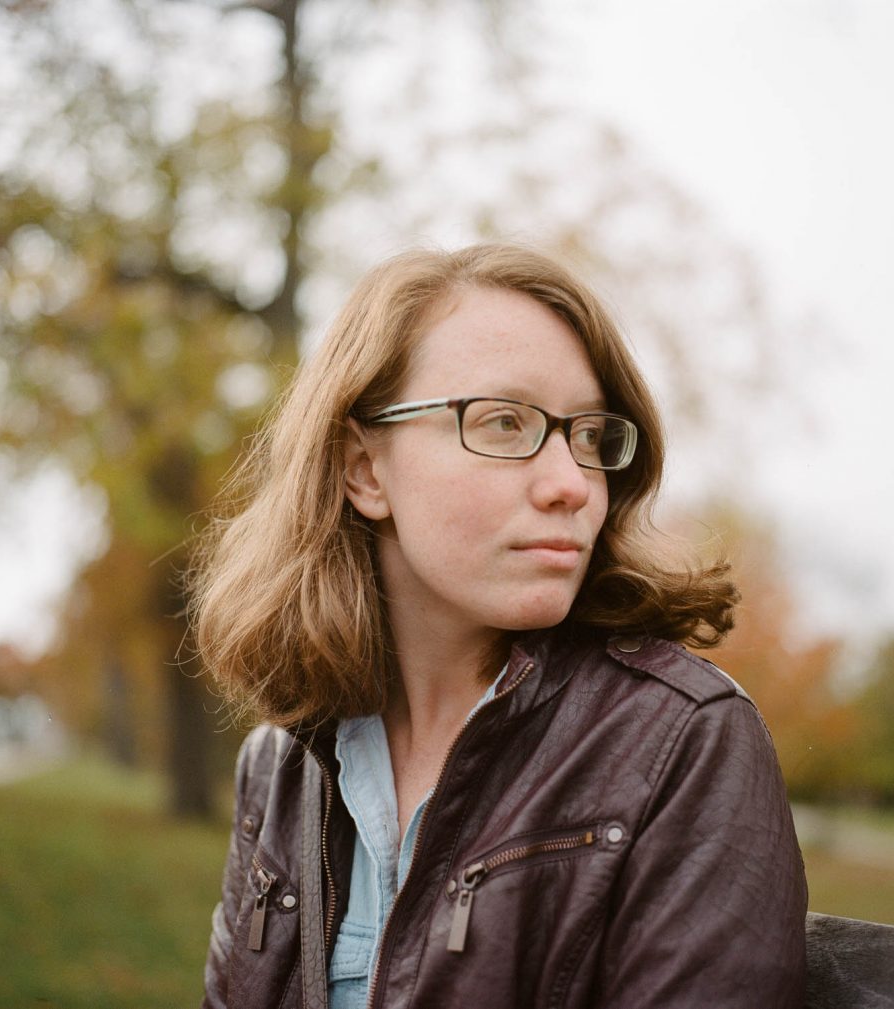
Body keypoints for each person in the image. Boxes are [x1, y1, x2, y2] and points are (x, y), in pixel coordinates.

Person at [193, 242, 808, 1009]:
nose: (572, 484)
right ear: (364, 470)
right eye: (505, 422)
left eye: (588, 436)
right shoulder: (284, 762)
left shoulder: (683, 741)